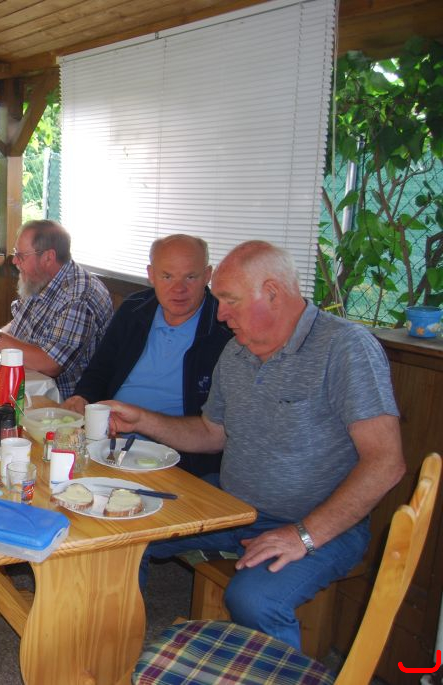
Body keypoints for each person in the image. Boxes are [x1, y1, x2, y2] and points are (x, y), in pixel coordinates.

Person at [104, 240, 405, 650]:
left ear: (273, 293)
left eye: (230, 301)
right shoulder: (237, 352)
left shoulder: (345, 348)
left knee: (254, 599)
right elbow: (212, 432)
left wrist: (304, 534)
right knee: (124, 533)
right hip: (234, 508)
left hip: (323, 523)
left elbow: (386, 462)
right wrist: (144, 420)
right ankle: (115, 656)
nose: (220, 314)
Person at [62, 234, 232, 477]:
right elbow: (100, 369)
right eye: (167, 276)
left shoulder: (225, 328)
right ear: (151, 275)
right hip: (110, 442)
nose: (179, 289)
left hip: (180, 459)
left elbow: (216, 431)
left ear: (207, 275)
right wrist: (83, 397)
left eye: (190, 277)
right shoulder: (134, 309)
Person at [0, 220, 113, 399]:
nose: (14, 261)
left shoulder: (79, 296)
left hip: (60, 402)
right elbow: (20, 323)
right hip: (28, 386)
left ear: (48, 257)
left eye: (21, 255)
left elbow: (50, 364)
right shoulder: (41, 279)